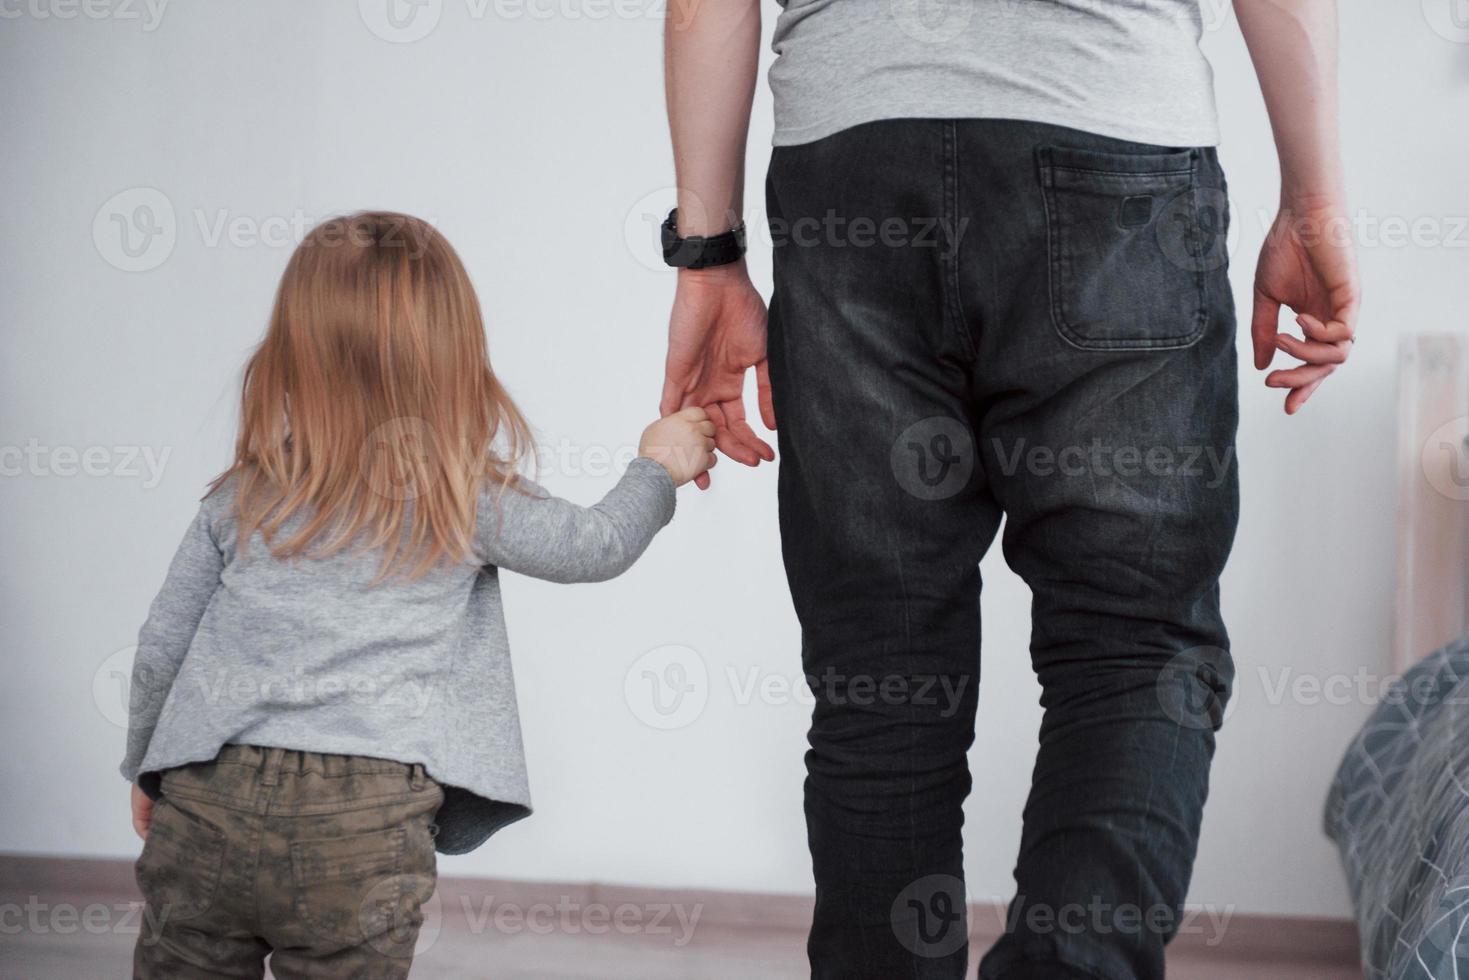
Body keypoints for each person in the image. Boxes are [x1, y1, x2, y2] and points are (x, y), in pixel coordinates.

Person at [659, 0, 1358, 976]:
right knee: (1132, 641)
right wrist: (1312, 202)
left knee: (882, 662)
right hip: (1114, 149)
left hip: (849, 171)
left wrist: (707, 255)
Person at [120, 211, 716, 978]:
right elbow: (592, 547)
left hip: (207, 794)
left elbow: (159, 648)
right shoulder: (462, 496)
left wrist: (149, 767)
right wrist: (655, 466)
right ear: (453, 356)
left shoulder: (245, 496)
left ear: (291, 353)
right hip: (363, 819)